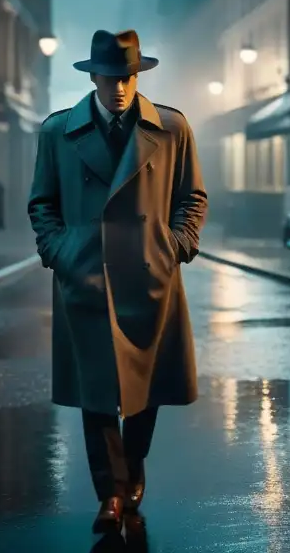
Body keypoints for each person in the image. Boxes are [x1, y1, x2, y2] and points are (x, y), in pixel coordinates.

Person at [28, 29, 208, 535]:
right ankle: (110, 491)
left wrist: (174, 247)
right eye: (110, 78)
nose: (120, 89)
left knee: (145, 387)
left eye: (128, 77)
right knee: (97, 390)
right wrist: (60, 252)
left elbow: (192, 197)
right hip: (85, 275)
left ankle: (132, 471)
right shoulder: (58, 132)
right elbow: (42, 203)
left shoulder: (171, 128)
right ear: (94, 78)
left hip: (149, 276)